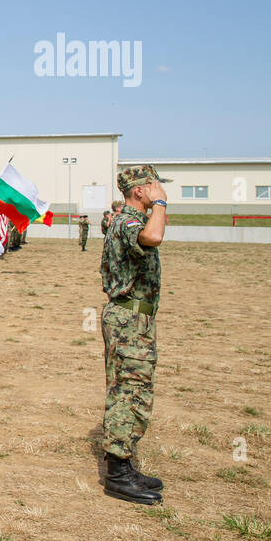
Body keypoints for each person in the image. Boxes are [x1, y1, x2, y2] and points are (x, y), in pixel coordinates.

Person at [99, 165, 171, 506]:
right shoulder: (129, 221)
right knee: (130, 390)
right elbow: (154, 237)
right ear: (139, 191)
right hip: (128, 318)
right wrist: (161, 205)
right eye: (153, 185)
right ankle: (117, 473)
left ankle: (124, 463)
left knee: (130, 388)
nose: (158, 189)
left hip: (133, 317)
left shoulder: (129, 220)